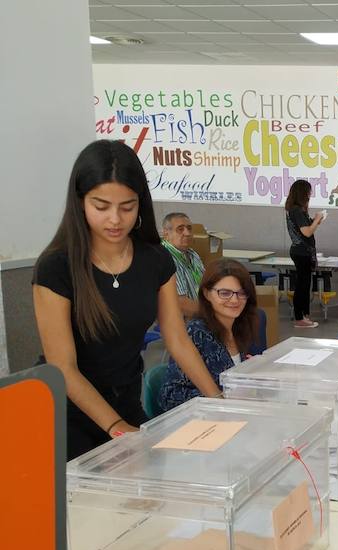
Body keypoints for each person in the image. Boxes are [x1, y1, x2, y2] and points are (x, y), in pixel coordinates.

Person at [32, 140, 221, 460]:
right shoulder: (56, 268)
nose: (115, 220)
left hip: (126, 403)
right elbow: (63, 367)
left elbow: (177, 339)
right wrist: (118, 429)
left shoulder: (156, 260)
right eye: (101, 206)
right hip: (67, 414)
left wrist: (217, 401)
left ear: (140, 203)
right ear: (80, 202)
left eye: (127, 207)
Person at [158, 259, 258, 412]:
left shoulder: (240, 327)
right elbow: (170, 396)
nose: (234, 300)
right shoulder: (196, 333)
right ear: (206, 293)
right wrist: (225, 396)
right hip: (204, 421)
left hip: (234, 414)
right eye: (224, 293)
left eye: (241, 293)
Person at [285, 179, 324, 328]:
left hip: (302, 251)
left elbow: (307, 229)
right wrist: (317, 219)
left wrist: (315, 221)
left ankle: (304, 315)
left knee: (304, 284)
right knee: (302, 285)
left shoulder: (296, 210)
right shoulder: (296, 210)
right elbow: (307, 232)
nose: (310, 195)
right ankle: (300, 317)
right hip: (301, 252)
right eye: (308, 192)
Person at [160, 212, 205, 317]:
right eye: (180, 229)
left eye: (189, 228)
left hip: (199, 313)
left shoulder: (193, 254)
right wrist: (213, 314)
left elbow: (207, 284)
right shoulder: (165, 258)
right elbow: (181, 304)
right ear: (166, 234)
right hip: (182, 321)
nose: (187, 233)